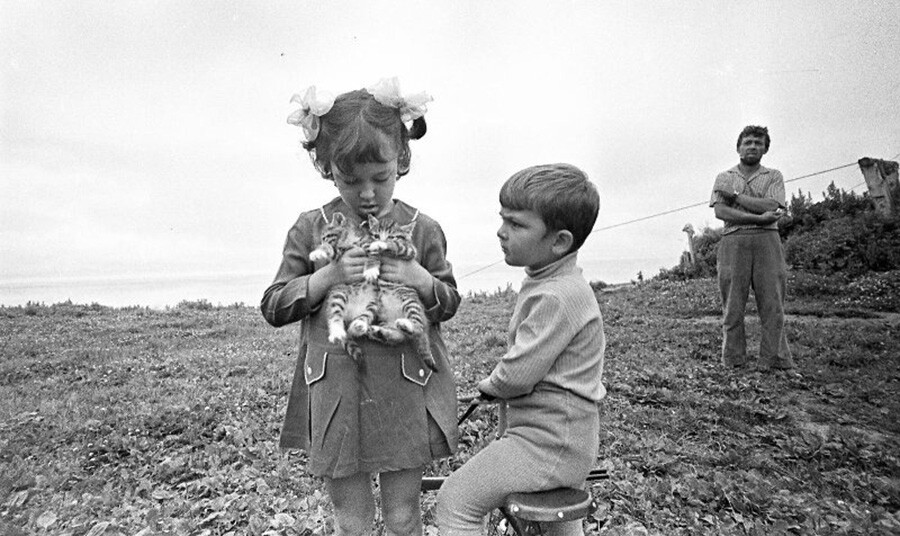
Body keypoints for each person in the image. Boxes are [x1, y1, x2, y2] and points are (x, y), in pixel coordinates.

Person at [261, 78, 461, 536]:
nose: (367, 193)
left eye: (381, 177)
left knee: (404, 517)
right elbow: (274, 305)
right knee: (351, 522)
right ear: (327, 167)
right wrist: (326, 276)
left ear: (402, 160)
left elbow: (447, 302)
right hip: (337, 395)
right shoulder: (311, 228)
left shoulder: (423, 228)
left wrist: (421, 279)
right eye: (351, 180)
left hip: (404, 394)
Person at [436, 164, 606, 536]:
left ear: (559, 242)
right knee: (558, 528)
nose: (501, 232)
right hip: (562, 438)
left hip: (548, 444)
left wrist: (489, 386)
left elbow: (518, 373)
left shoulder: (557, 296)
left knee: (457, 499)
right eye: (502, 219)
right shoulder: (557, 282)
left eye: (516, 224)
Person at [710, 125, 794, 371]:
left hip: (768, 241)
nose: (752, 146)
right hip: (733, 241)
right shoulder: (724, 176)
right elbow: (720, 211)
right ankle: (733, 360)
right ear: (738, 147)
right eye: (747, 142)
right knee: (733, 303)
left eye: (758, 142)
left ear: (765, 148)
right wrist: (759, 217)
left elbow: (772, 204)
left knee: (772, 302)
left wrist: (735, 196)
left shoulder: (774, 175)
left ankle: (775, 360)